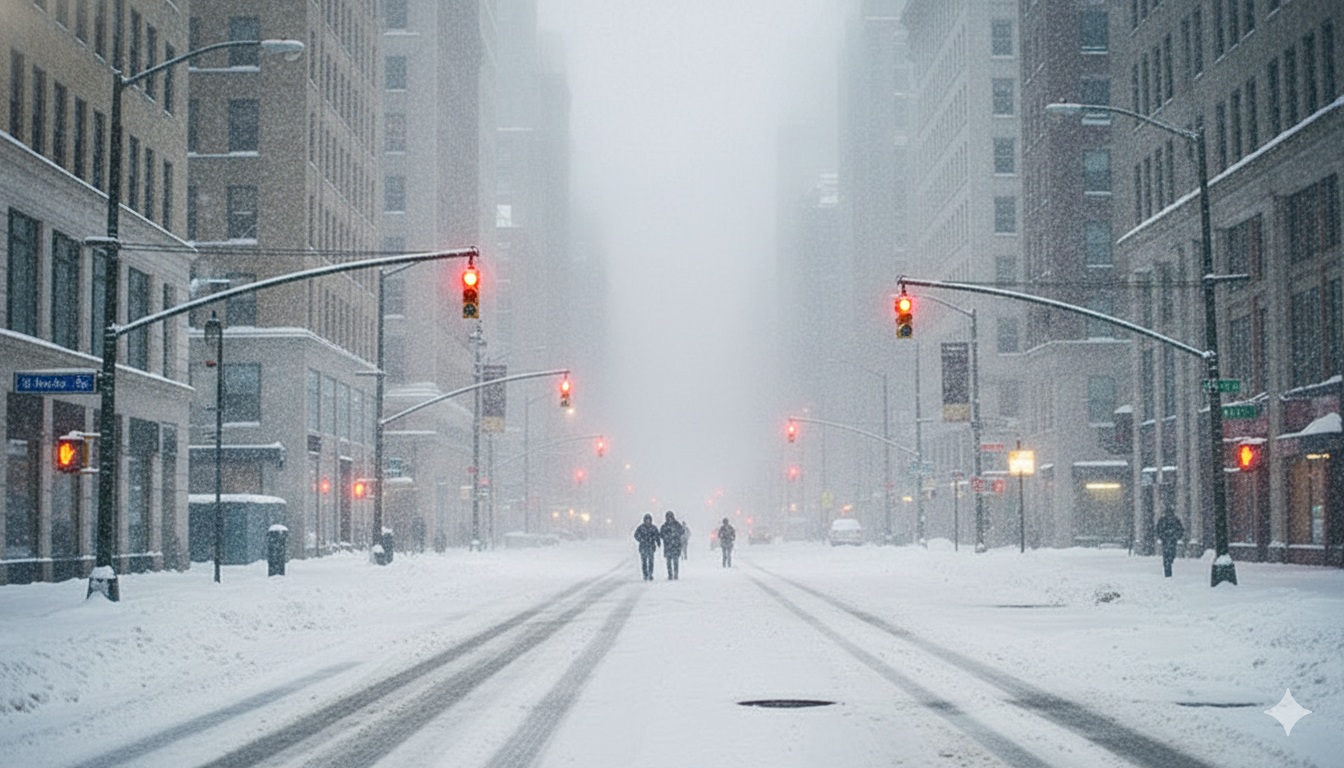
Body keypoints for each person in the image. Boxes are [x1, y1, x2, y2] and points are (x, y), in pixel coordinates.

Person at [1155, 508, 1184, 578]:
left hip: (1170, 540)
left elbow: (1180, 530)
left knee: (1169, 555)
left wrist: (1175, 536)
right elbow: (1159, 530)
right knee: (1168, 555)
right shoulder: (1165, 520)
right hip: (1168, 540)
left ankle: (1168, 564)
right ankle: (1167, 568)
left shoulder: (1174, 520)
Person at [633, 514, 661, 581]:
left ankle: (650, 574)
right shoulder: (641, 528)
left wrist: (658, 542)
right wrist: (641, 539)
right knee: (644, 562)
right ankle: (645, 574)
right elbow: (636, 535)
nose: (648, 521)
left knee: (651, 561)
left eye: (649, 520)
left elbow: (657, 536)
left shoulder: (654, 528)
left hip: (651, 547)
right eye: (646, 520)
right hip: (643, 547)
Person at [660, 511, 684, 580]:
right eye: (668, 517)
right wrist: (668, 537)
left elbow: (682, 531)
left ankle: (676, 574)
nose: (670, 519)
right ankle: (670, 574)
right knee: (669, 561)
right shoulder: (664, 526)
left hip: (675, 546)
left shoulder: (676, 524)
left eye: (671, 517)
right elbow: (661, 535)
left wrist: (675, 535)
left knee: (675, 561)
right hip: (668, 546)